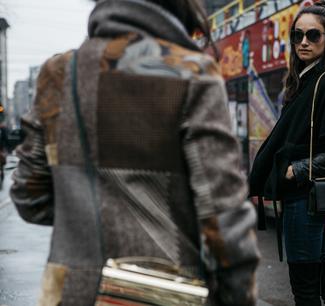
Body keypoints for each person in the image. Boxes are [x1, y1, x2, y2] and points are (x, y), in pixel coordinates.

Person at [10, 0, 260, 305]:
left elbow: (29, 197)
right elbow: (224, 223)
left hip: (71, 292)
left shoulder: (59, 75)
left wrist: (88, 212)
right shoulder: (192, 74)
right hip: (166, 293)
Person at [249, 1, 325, 305]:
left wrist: (297, 169)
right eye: (298, 36)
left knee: (306, 290)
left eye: (313, 35)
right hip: (308, 202)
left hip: (304, 201)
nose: (304, 42)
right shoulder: (305, 82)